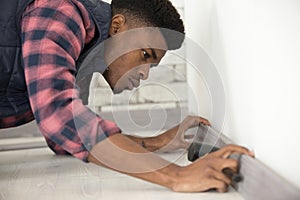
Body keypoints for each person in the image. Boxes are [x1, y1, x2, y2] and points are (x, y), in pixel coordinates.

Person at [0, 0, 254, 193]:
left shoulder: (83, 61)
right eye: (145, 55)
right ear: (118, 26)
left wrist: (157, 142)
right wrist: (176, 176)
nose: (144, 74)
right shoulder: (60, 12)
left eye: (152, 66)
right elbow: (58, 117)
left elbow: (64, 141)